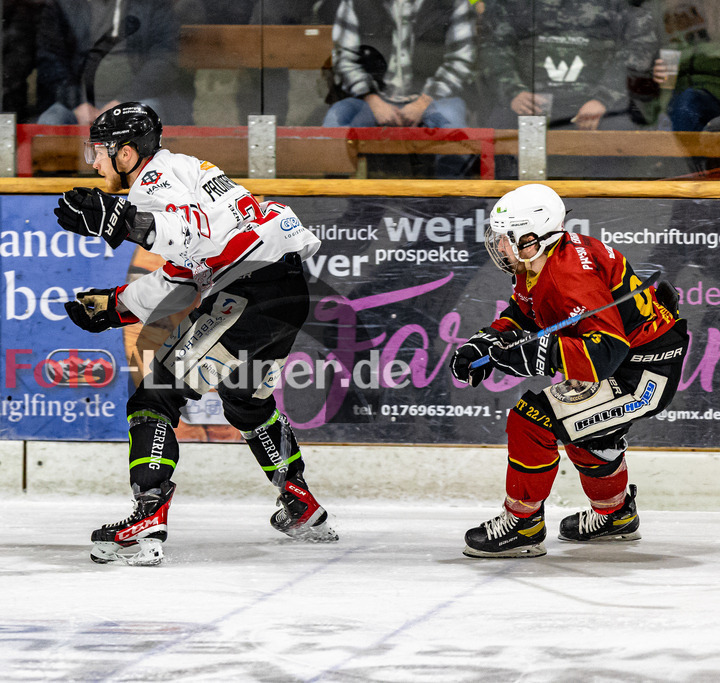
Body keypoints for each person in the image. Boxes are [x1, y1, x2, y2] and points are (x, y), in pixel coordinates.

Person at [53, 102, 336, 565]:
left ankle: (148, 514)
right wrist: (116, 306)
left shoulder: (153, 182)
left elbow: (188, 232)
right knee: (246, 400)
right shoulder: (184, 170)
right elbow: (186, 270)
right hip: (285, 293)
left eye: (100, 152)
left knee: (154, 397)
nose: (96, 162)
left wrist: (121, 221)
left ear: (127, 153)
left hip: (248, 291)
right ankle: (300, 502)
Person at [450, 184, 689, 558]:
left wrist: (530, 356)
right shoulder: (542, 259)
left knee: (532, 421)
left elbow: (607, 351)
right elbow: (525, 312)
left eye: (505, 239)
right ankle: (615, 515)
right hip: (636, 359)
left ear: (532, 238)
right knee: (587, 433)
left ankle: (523, 523)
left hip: (644, 373)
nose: (498, 247)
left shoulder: (568, 275)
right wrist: (486, 341)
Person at [321, 0, 477, 177]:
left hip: (436, 100)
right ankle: (332, 201)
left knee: (453, 127)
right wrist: (371, 98)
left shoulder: (455, 3)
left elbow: (461, 60)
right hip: (370, 101)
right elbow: (344, 58)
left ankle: (450, 200)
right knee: (336, 119)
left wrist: (424, 101)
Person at [480, 0, 657, 133]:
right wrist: (514, 92)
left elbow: (640, 44)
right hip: (530, 105)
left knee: (624, 134)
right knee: (500, 133)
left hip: (598, 105)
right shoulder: (516, 5)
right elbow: (493, 46)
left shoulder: (616, 5)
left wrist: (603, 99)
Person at [35, 0, 192, 126]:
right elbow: (50, 60)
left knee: (147, 121)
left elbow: (164, 60)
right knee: (50, 122)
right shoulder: (64, 5)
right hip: (78, 106)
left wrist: (123, 102)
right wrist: (76, 103)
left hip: (137, 99)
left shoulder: (152, 4)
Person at [652, 1, 720, 132]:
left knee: (687, 101)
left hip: (712, 98)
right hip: (681, 104)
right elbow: (664, 87)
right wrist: (657, 76)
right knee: (683, 105)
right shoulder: (672, 48)